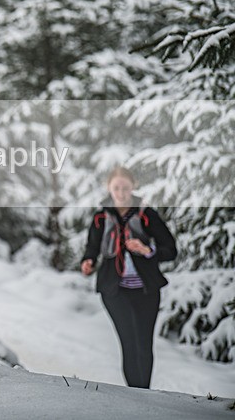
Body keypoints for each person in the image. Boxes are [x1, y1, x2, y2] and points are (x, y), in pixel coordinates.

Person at [81, 166, 177, 388]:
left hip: (146, 290)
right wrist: (88, 262)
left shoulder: (147, 215)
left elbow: (171, 250)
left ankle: (143, 392)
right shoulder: (100, 217)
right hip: (114, 290)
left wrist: (146, 250)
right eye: (116, 188)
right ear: (109, 188)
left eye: (125, 188)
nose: (121, 193)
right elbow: (92, 248)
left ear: (133, 187)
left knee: (143, 344)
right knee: (129, 343)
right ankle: (135, 394)